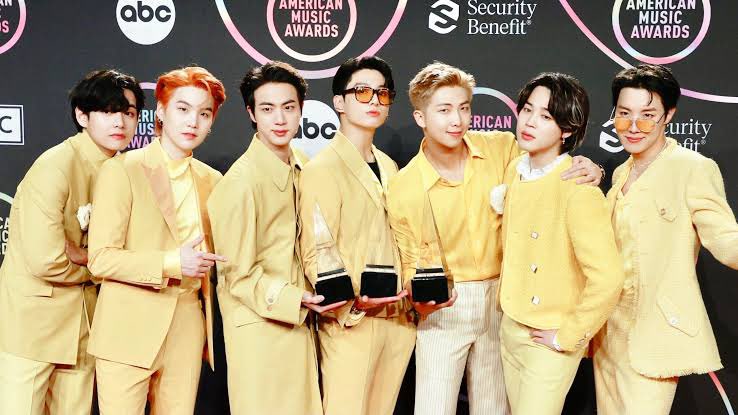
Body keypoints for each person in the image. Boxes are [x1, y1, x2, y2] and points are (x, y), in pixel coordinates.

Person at [387, 62, 603, 415]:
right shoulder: (403, 186)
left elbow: (551, 166)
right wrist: (420, 301)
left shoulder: (503, 149)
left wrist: (593, 167)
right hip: (444, 309)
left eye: (464, 108)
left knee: (494, 408)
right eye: (444, 110)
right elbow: (411, 262)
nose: (457, 120)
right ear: (420, 117)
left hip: (502, 303)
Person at [593, 63, 738, 415]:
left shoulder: (692, 167)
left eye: (647, 115)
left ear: (668, 115)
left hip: (655, 333)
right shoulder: (620, 173)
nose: (633, 126)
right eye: (624, 114)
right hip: (607, 333)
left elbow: (725, 239)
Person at [0, 69, 143, 415]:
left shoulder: (129, 171)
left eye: (128, 113)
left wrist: (85, 255)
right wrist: (102, 266)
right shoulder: (56, 166)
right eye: (108, 111)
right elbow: (46, 259)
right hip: (33, 331)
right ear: (82, 116)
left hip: (86, 331)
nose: (120, 122)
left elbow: (133, 251)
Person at [87, 66, 226, 415]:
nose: (193, 121)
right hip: (128, 325)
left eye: (204, 113)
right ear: (161, 112)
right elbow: (101, 258)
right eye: (183, 108)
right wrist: (172, 262)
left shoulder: (213, 181)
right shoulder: (122, 169)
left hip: (187, 324)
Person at [208, 61, 334, 415]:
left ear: (301, 110)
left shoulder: (303, 164)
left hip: (300, 322)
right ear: (251, 113)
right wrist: (296, 298)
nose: (279, 119)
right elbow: (237, 274)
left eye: (288, 107)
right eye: (267, 109)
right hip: (260, 331)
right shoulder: (239, 183)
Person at [496, 72, 624, 415]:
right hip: (511, 327)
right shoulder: (515, 169)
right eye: (527, 110)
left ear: (567, 129)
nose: (529, 122)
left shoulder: (578, 189)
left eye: (546, 116)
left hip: (549, 340)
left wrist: (569, 335)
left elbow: (608, 278)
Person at [298, 56, 416, 415]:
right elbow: (315, 251)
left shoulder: (390, 165)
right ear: (339, 102)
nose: (374, 101)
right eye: (362, 92)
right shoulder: (322, 168)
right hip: (352, 323)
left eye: (383, 93)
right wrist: (350, 307)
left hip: (397, 320)